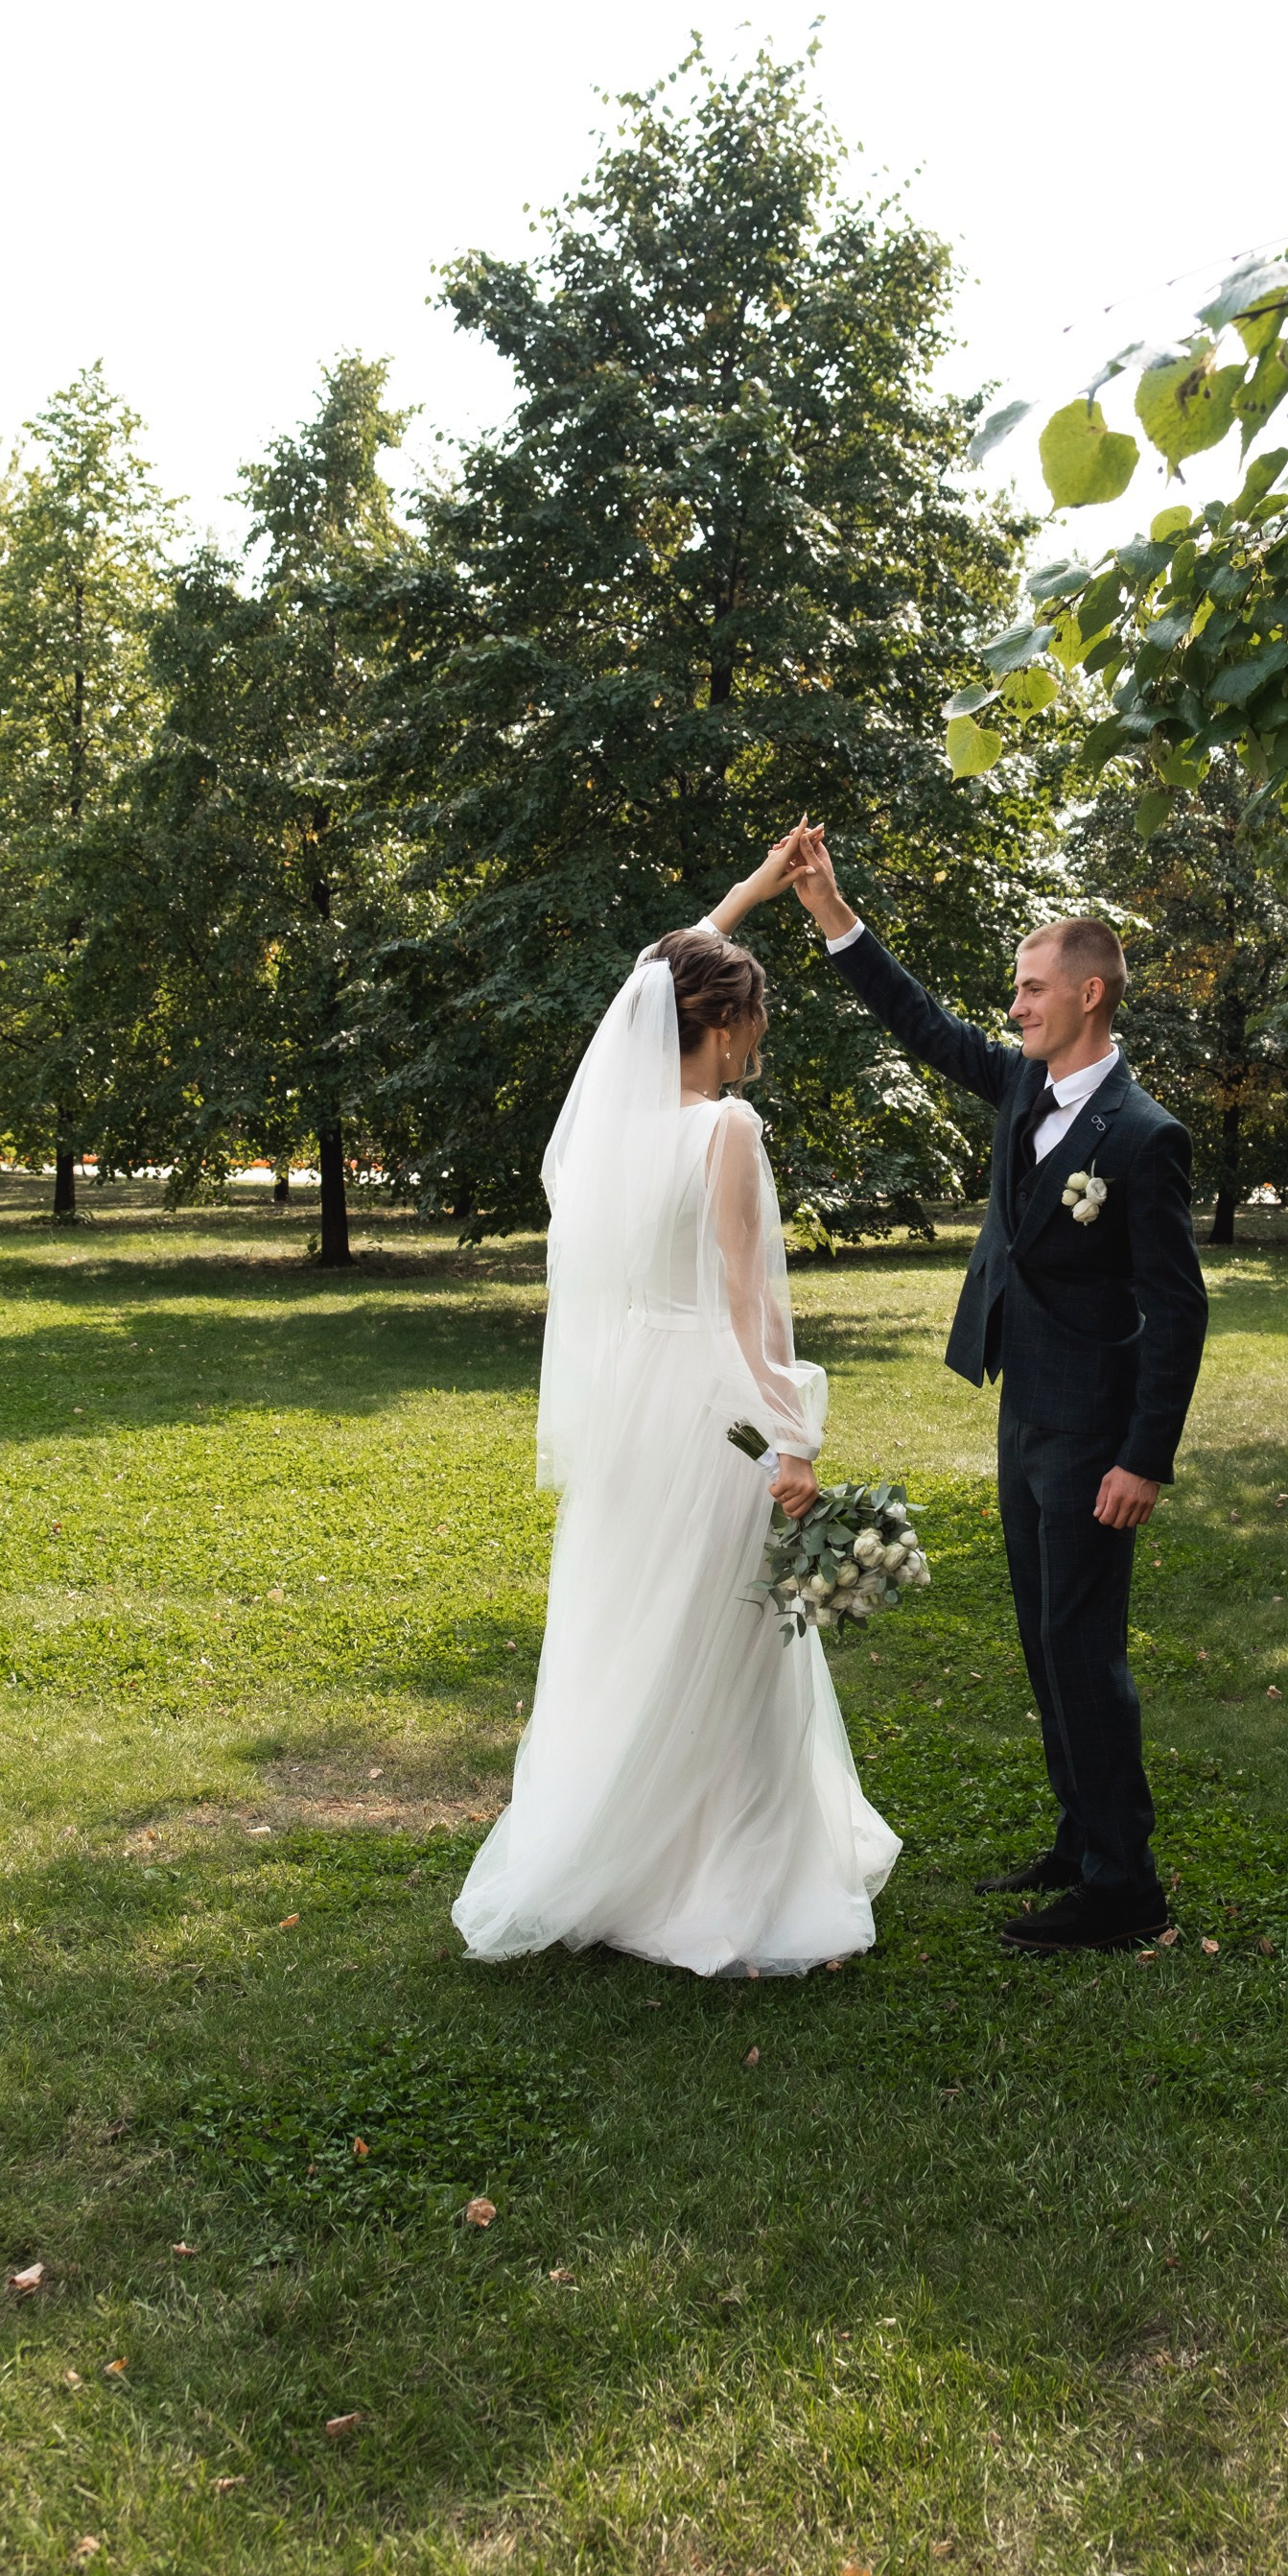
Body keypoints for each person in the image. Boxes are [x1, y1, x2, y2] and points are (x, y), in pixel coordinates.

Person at [453, 839, 899, 1977]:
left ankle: (619, 1855)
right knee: (727, 1637)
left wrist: (749, 891)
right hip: (711, 1407)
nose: (760, 1036)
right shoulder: (723, 1128)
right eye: (755, 1018)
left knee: (639, 1622)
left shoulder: (609, 1128)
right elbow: (751, 1306)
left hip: (632, 1408)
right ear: (725, 1024)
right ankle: (719, 1880)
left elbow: (658, 976)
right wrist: (792, 1437)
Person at [786, 824, 1206, 1953]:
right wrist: (831, 912)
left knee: (1083, 1649)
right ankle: (1080, 1840)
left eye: (1029, 988)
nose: (1013, 1006)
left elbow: (1176, 1311)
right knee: (1041, 1637)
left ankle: (1124, 1890)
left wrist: (1142, 1458)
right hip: (1026, 1409)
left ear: (1087, 993)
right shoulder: (1025, 1084)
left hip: (1093, 1434)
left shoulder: (1143, 1138)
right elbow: (921, 1025)